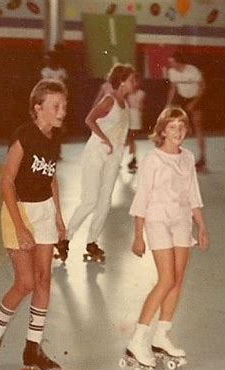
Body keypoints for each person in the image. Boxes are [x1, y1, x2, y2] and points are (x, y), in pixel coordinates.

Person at [0, 79, 68, 370]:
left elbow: (52, 179)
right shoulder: (24, 136)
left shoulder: (55, 139)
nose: (62, 110)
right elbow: (6, 181)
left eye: (64, 105)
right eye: (56, 106)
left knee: (43, 281)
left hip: (43, 212)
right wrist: (20, 226)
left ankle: (33, 348)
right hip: (19, 211)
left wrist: (59, 217)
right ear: (38, 108)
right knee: (25, 282)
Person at [119, 107, 209, 370]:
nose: (178, 132)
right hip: (157, 221)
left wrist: (201, 226)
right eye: (172, 127)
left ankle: (161, 335)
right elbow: (142, 198)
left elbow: (193, 194)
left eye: (182, 127)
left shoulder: (188, 157)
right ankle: (137, 339)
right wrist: (138, 235)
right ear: (162, 131)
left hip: (181, 221)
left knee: (178, 278)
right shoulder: (152, 160)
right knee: (166, 279)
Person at [55, 64, 135, 263]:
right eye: (132, 79)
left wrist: (119, 147)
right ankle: (65, 238)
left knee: (105, 201)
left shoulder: (126, 104)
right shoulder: (109, 101)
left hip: (113, 157)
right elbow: (89, 120)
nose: (135, 83)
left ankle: (92, 241)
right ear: (122, 81)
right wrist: (105, 139)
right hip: (97, 152)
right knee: (90, 199)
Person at [165, 52, 207, 170]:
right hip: (182, 98)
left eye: (172, 62)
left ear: (178, 62)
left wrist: (194, 103)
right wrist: (168, 104)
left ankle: (203, 158)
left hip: (195, 98)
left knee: (198, 126)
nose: (170, 64)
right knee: (178, 127)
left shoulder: (192, 71)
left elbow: (203, 86)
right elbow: (173, 88)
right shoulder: (172, 72)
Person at [126, 73, 146, 173]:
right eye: (132, 81)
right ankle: (131, 157)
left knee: (131, 137)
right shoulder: (127, 93)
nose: (134, 83)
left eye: (135, 81)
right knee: (127, 138)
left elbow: (140, 106)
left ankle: (133, 158)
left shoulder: (141, 93)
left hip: (135, 116)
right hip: (127, 115)